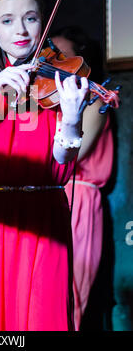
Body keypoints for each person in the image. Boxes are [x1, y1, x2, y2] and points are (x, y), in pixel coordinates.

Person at [0, 0, 91, 331]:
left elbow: (61, 163)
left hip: (44, 218)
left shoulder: (56, 85)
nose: (21, 30)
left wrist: (72, 120)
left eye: (30, 18)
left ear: (42, 22)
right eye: (8, 20)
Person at [50, 26, 114, 330]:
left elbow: (75, 153)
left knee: (70, 293)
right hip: (51, 195)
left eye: (63, 55)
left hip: (80, 199)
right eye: (51, 55)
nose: (55, 63)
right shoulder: (45, 100)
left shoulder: (95, 101)